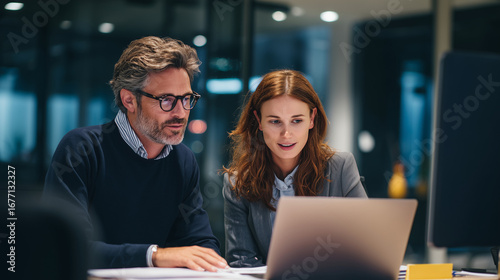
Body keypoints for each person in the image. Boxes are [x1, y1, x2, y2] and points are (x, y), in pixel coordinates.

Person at [43, 36, 228, 271]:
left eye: (187, 99)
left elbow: (200, 243)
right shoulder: (81, 149)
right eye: (167, 100)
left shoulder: (183, 160)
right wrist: (154, 255)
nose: (181, 113)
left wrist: (209, 261)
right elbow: (68, 247)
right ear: (129, 99)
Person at [222, 69, 368, 267]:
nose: (286, 134)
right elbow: (241, 263)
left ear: (312, 118)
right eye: (275, 121)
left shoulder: (341, 167)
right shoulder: (237, 183)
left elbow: (366, 247)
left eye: (297, 120)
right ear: (259, 121)